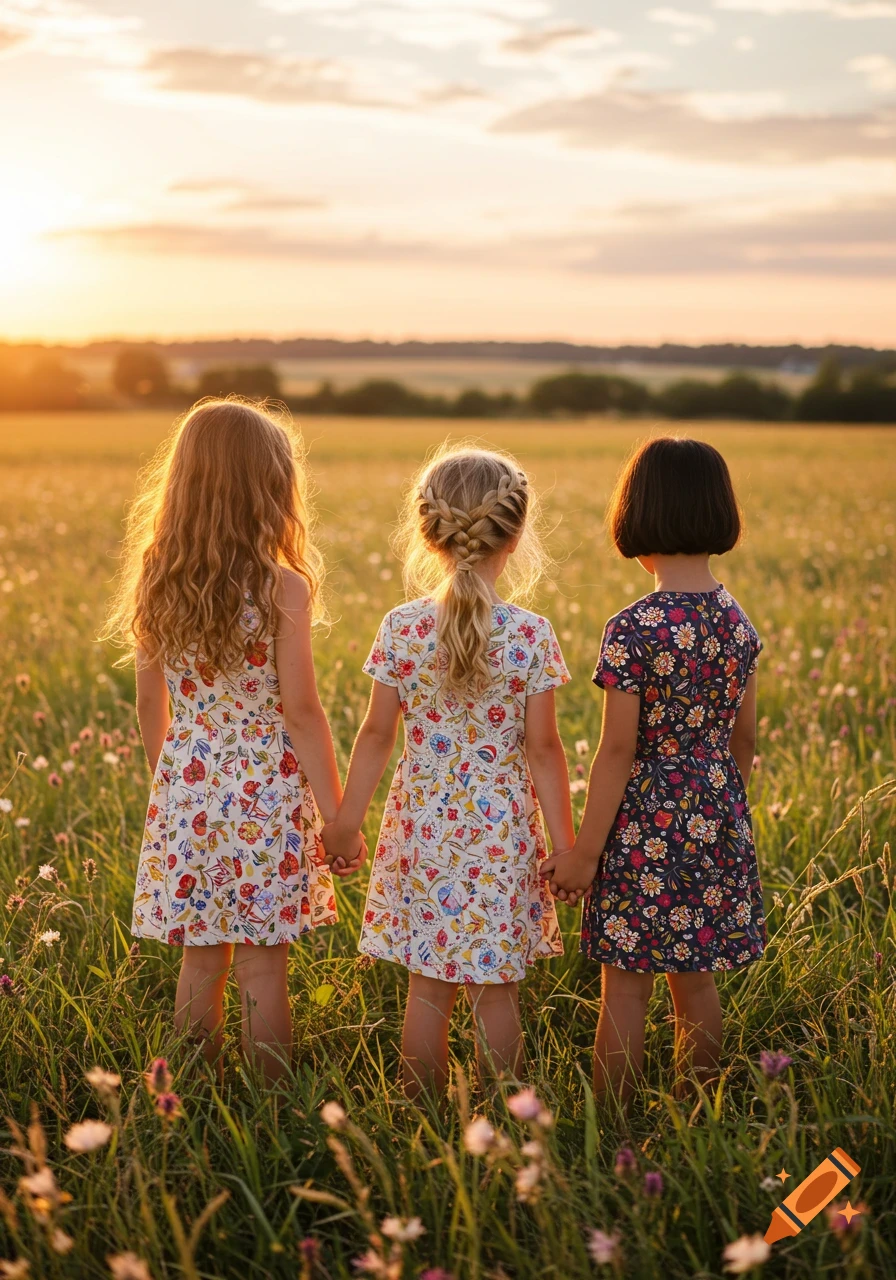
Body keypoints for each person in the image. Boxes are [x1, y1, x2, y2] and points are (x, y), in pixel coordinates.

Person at [104, 398, 361, 1082]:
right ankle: (274, 1108)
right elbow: (302, 712)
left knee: (200, 955)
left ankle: (191, 1092)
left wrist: (173, 786)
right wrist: (337, 816)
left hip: (187, 788)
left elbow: (149, 702)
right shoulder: (282, 587)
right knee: (261, 959)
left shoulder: (157, 578)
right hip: (264, 796)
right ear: (269, 487)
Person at [322, 444, 574, 1099]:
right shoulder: (530, 633)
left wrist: (346, 823)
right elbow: (545, 751)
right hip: (502, 834)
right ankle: (512, 1123)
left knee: (426, 985)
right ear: (515, 535)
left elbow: (377, 734)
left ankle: (417, 1114)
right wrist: (568, 847)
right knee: (495, 989)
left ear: (427, 531)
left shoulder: (402, 628)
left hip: (423, 828)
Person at [541, 437, 765, 1104]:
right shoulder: (737, 623)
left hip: (642, 820)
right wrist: (721, 815)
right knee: (696, 978)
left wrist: (584, 852)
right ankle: (702, 1105)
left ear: (635, 517)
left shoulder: (633, 627)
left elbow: (616, 751)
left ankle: (613, 1116)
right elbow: (744, 740)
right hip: (715, 809)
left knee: (625, 980)